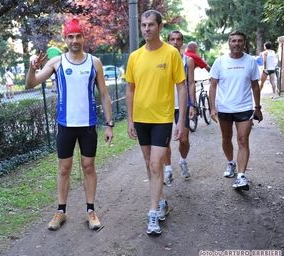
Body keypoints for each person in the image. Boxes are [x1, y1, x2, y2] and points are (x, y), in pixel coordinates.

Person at [25, 18, 114, 231]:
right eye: (70, 36)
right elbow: (31, 83)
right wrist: (31, 68)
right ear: (65, 39)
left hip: (88, 125)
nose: (75, 40)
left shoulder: (94, 62)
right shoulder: (56, 63)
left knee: (88, 166)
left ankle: (91, 211)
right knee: (64, 168)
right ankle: (61, 211)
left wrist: (109, 124)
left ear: (83, 37)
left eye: (78, 36)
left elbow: (103, 94)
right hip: (65, 125)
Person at [125, 10, 187, 235]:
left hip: (162, 119)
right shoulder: (135, 56)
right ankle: (160, 199)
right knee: (148, 162)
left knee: (155, 164)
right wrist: (130, 120)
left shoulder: (171, 54)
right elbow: (130, 89)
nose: (146, 29)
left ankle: (153, 214)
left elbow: (181, 86)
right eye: (143, 25)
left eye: (151, 25)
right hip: (141, 119)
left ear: (160, 27)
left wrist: (180, 119)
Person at [209, 30, 263, 191]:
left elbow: (255, 86)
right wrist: (213, 108)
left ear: (244, 43)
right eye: (233, 41)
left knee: (243, 140)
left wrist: (258, 107)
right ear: (229, 42)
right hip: (225, 107)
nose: (236, 44)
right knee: (226, 137)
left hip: (244, 107)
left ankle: (241, 176)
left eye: (240, 41)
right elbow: (213, 86)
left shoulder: (250, 62)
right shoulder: (220, 62)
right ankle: (230, 162)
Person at [164, 31, 197, 185]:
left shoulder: (187, 60)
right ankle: (168, 169)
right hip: (164, 105)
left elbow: (191, 83)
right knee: (164, 140)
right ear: (168, 41)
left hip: (182, 105)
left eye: (178, 40)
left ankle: (183, 161)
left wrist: (193, 105)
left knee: (184, 138)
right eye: (172, 39)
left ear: (182, 42)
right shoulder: (162, 59)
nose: (175, 42)